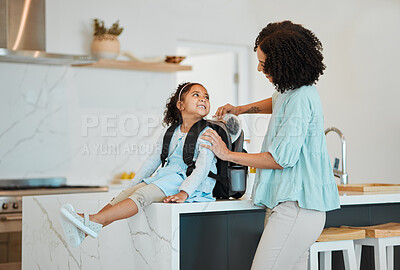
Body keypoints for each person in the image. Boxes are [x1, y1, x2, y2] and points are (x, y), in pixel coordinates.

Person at [201, 21, 340, 269]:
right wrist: (241, 109)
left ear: (283, 63)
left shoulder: (300, 99)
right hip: (289, 206)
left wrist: (227, 154)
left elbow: (279, 159)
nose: (258, 68)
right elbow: (277, 101)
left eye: (264, 64)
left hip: (297, 208)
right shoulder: (292, 90)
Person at [60, 82, 217, 247]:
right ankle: (84, 230)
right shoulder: (171, 131)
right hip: (166, 178)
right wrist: (133, 185)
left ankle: (92, 220)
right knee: (126, 194)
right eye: (196, 95)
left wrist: (184, 193)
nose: (203, 99)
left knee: (142, 196)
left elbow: (202, 168)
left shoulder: (207, 133)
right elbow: (152, 161)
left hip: (186, 181)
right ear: (180, 105)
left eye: (206, 96)